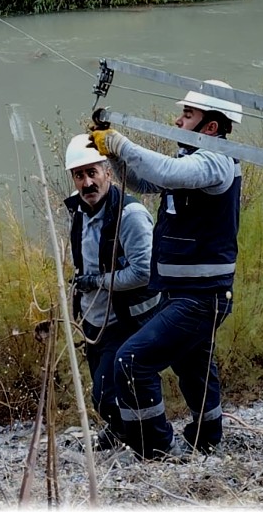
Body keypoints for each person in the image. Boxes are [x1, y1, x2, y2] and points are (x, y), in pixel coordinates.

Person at [88, 80, 243, 460]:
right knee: (195, 369)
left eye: (187, 115)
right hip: (183, 292)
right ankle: (206, 440)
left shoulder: (215, 161)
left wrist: (121, 143)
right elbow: (145, 179)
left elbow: (167, 172)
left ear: (210, 127)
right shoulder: (191, 160)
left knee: (131, 362)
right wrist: (112, 156)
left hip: (201, 297)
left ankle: (156, 448)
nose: (177, 120)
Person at [62, 134, 158, 451]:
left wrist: (99, 281)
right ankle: (120, 432)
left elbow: (145, 272)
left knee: (105, 392)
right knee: (103, 389)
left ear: (108, 172)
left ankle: (147, 440)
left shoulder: (130, 216)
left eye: (93, 173)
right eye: (79, 175)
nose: (87, 182)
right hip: (94, 318)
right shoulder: (78, 212)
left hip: (127, 317)